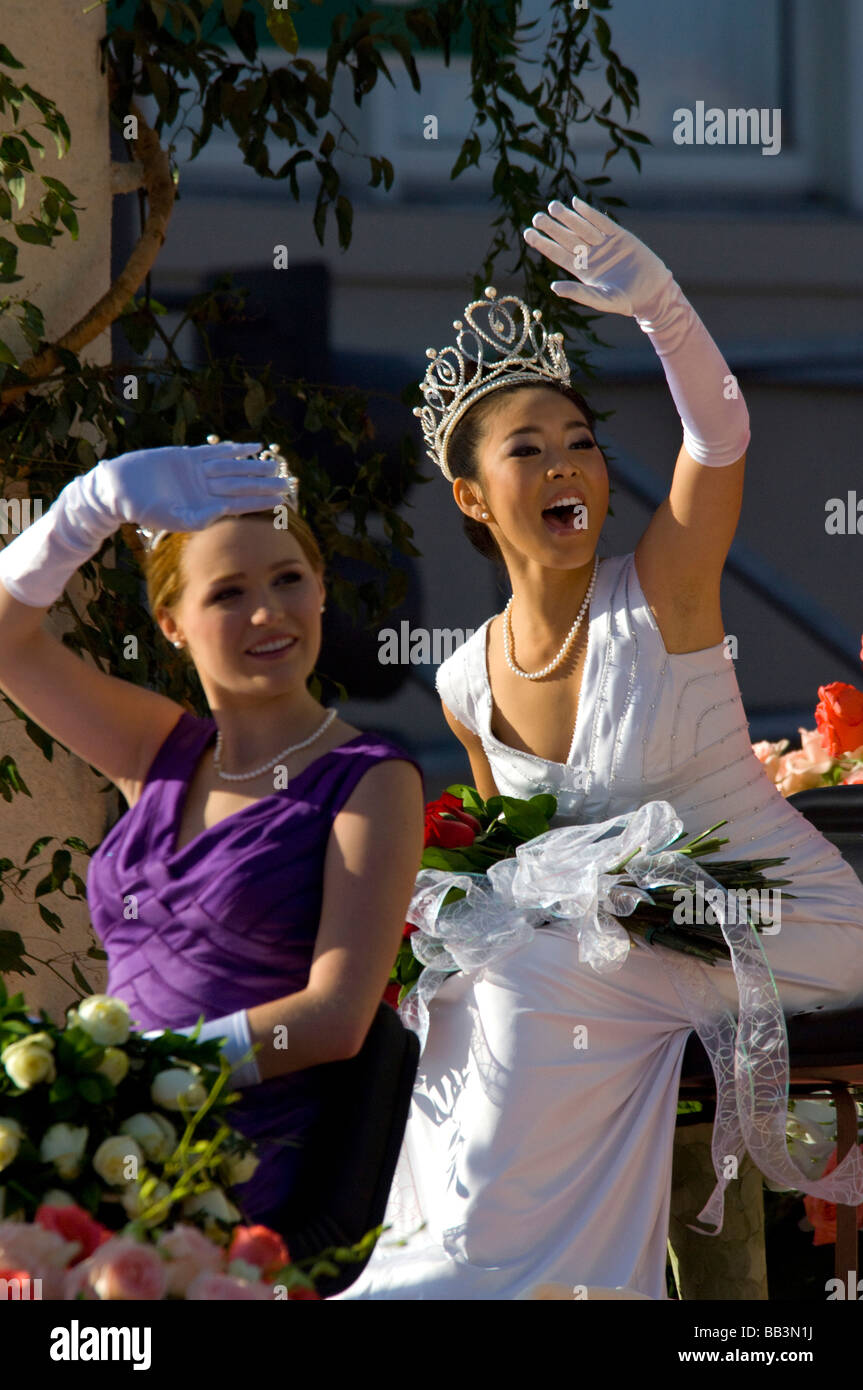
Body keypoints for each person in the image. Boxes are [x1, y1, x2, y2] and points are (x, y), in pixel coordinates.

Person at [336, 197, 863, 1300]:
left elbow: (718, 436)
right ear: (475, 498)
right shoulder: (462, 678)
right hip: (613, 949)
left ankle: (480, 1279)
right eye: (529, 450)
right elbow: (508, 855)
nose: (568, 465)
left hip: (778, 918)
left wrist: (663, 310)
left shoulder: (663, 589)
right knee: (462, 980)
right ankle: (458, 1268)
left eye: (581, 442)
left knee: (531, 966)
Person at [0, 440, 425, 1231]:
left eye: (288, 579)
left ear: (322, 590)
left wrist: (142, 1073)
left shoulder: (372, 779)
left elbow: (335, 1018)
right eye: (227, 593)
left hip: (238, 1177)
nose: (267, 612)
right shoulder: (158, 750)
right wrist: (83, 511)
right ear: (171, 624)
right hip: (107, 1156)